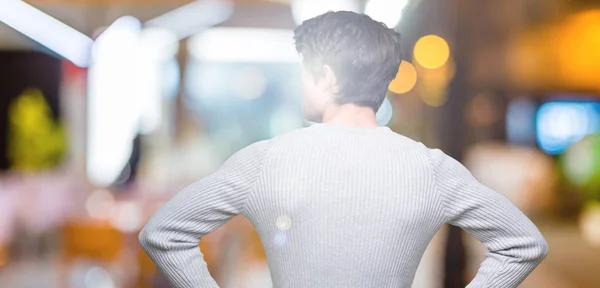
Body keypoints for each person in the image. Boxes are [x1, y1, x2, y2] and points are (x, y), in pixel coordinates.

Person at [139, 11, 548, 288]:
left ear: (328, 77)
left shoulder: (264, 161)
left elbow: (163, 234)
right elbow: (524, 244)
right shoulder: (431, 169)